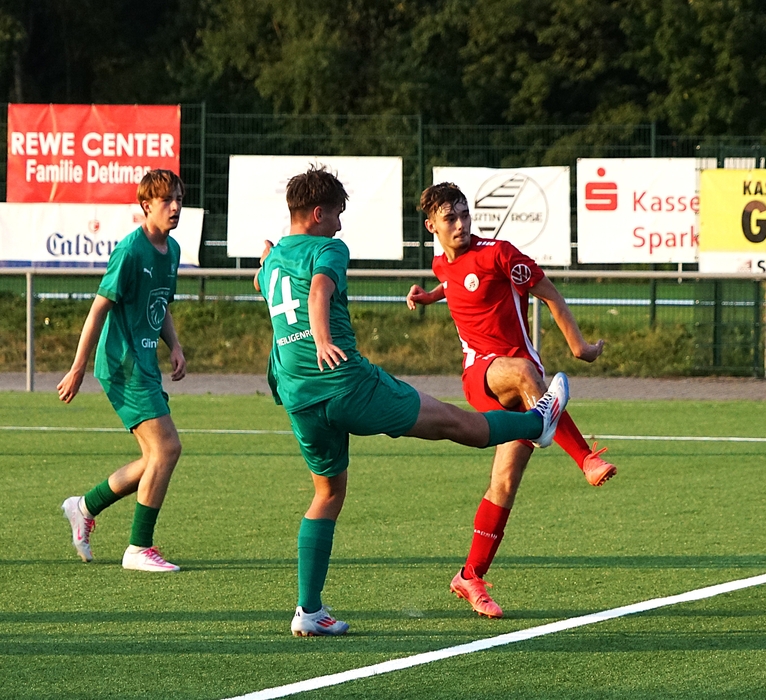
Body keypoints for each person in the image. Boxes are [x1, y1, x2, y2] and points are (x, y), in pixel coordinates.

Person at [253, 165, 569, 637]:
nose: (339, 224)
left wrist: (265, 264)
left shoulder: (275, 259)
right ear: (318, 214)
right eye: (336, 214)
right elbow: (319, 290)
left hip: (298, 393)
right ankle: (536, 424)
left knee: (327, 494)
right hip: (346, 382)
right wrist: (321, 338)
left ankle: (309, 611)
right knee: (455, 423)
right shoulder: (328, 248)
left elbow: (265, 285)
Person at [406, 182, 617, 619]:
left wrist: (579, 347)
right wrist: (428, 297)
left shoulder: (500, 254)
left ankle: (470, 576)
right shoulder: (440, 263)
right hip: (483, 377)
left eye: (465, 214)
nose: (461, 224)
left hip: (526, 390)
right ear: (432, 227)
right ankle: (583, 458)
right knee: (523, 371)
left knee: (503, 483)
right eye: (450, 218)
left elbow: (549, 293)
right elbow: (452, 283)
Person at [57, 169, 187, 574]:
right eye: (167, 200)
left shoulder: (173, 249)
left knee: (154, 458)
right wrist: (78, 367)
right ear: (146, 206)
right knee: (168, 448)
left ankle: (84, 507)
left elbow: (160, 303)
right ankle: (138, 548)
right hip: (122, 365)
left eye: (179, 199)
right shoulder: (130, 251)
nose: (175, 207)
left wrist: (174, 344)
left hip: (146, 364)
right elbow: (99, 308)